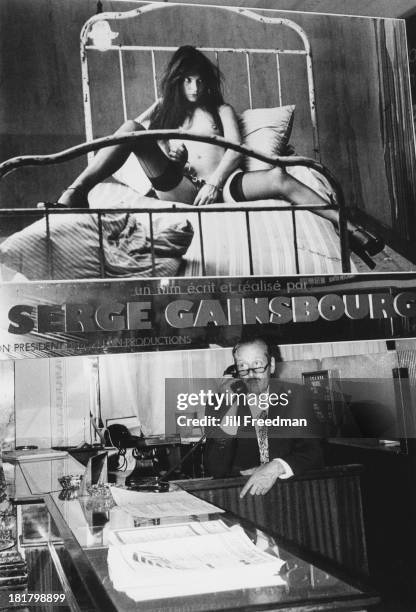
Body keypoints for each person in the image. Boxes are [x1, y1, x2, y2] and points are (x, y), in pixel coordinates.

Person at [51, 46, 383, 258]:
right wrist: (171, 155)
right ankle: (78, 192)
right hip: (178, 184)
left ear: (207, 82)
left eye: (199, 81)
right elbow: (141, 141)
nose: (194, 88)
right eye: (187, 81)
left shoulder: (220, 109)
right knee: (128, 128)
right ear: (177, 81)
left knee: (280, 175)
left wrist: (215, 184)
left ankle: (346, 225)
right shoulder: (165, 109)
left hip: (224, 184)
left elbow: (236, 150)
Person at [203, 337, 324, 497]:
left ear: (272, 365)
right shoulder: (219, 403)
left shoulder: (296, 396)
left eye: (258, 365)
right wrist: (231, 408)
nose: (251, 374)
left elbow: (315, 453)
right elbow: (215, 468)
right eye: (242, 366)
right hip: (241, 494)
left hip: (288, 491)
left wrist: (276, 466)